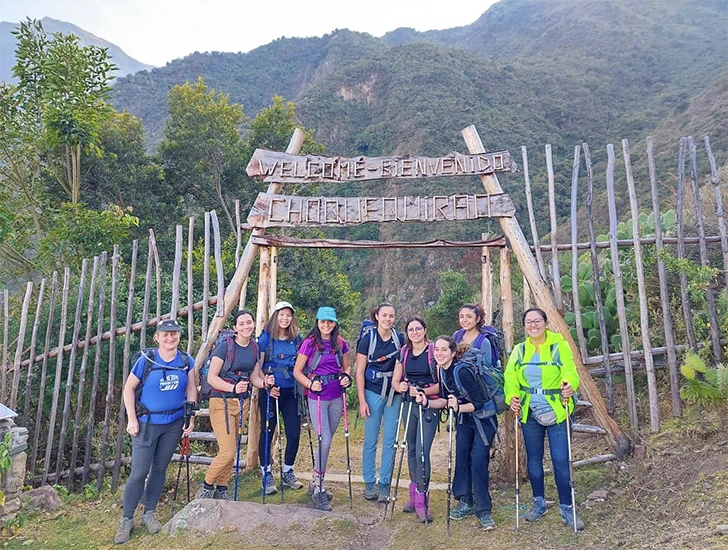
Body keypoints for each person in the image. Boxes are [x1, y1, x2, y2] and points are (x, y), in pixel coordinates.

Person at [114, 319, 197, 545]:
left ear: (179, 336)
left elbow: (190, 388)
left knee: (160, 468)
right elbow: (129, 389)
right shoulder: (146, 361)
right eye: (165, 334)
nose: (170, 338)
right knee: (139, 472)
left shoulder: (186, 360)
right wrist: (132, 418)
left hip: (174, 423)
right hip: (147, 423)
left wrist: (190, 415)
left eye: (174, 334)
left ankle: (149, 512)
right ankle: (127, 518)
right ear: (157, 337)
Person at [504, 307, 584, 531]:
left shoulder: (560, 346)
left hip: (558, 410)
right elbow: (510, 377)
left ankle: (567, 506)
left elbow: (569, 369)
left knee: (560, 459)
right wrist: (512, 396)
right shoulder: (519, 351)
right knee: (533, 458)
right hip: (530, 412)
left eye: (537, 320)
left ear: (545, 322)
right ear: (524, 326)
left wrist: (569, 385)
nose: (533, 325)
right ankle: (539, 502)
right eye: (528, 322)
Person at [419, 335, 497, 531]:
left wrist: (459, 408)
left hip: (483, 420)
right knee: (462, 459)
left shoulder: (462, 371)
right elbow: (445, 400)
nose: (439, 353)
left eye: (444, 350)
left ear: (453, 353)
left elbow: (479, 402)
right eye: (437, 349)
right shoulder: (442, 371)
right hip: (465, 420)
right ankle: (466, 501)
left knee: (479, 461)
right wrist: (426, 402)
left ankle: (484, 511)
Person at [293, 306, 351, 511]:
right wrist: (309, 384)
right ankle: (318, 488)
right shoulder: (309, 344)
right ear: (317, 322)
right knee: (324, 440)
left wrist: (346, 377)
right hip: (316, 397)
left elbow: (346, 367)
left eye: (330, 322)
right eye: (322, 321)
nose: (326, 325)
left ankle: (315, 483)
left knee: (325, 441)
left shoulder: (340, 343)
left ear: (335, 323)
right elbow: (297, 371)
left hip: (336, 396)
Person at [196, 310, 257, 500]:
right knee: (228, 450)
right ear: (235, 328)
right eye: (242, 324)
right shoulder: (225, 347)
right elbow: (212, 378)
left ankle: (222, 488)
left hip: (242, 401)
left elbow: (254, 377)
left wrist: (267, 383)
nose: (246, 326)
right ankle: (206, 485)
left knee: (234, 447)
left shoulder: (254, 348)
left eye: (249, 322)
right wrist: (233, 387)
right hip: (221, 401)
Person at [252, 301, 304, 495]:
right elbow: (258, 367)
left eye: (288, 315)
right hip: (270, 391)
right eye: (281, 315)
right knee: (267, 431)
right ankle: (266, 473)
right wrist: (266, 383)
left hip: (291, 392)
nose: (285, 318)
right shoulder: (265, 339)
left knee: (293, 433)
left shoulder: (296, 339)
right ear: (275, 316)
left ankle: (288, 470)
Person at [355, 302, 404, 503]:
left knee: (391, 440)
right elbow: (359, 371)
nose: (388, 319)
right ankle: (369, 482)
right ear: (377, 316)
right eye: (384, 315)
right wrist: (361, 400)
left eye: (391, 316)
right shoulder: (367, 339)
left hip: (394, 393)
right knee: (371, 440)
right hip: (372, 392)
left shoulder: (399, 338)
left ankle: (384, 483)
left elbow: (403, 362)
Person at [392, 316, 439, 522]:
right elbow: (396, 380)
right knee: (410, 448)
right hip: (408, 404)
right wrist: (400, 387)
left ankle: (423, 499)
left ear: (425, 329)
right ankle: (414, 496)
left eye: (418, 328)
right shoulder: (404, 352)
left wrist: (424, 392)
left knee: (422, 451)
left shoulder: (433, 351)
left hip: (429, 405)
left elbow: (441, 384)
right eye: (411, 329)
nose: (415, 332)